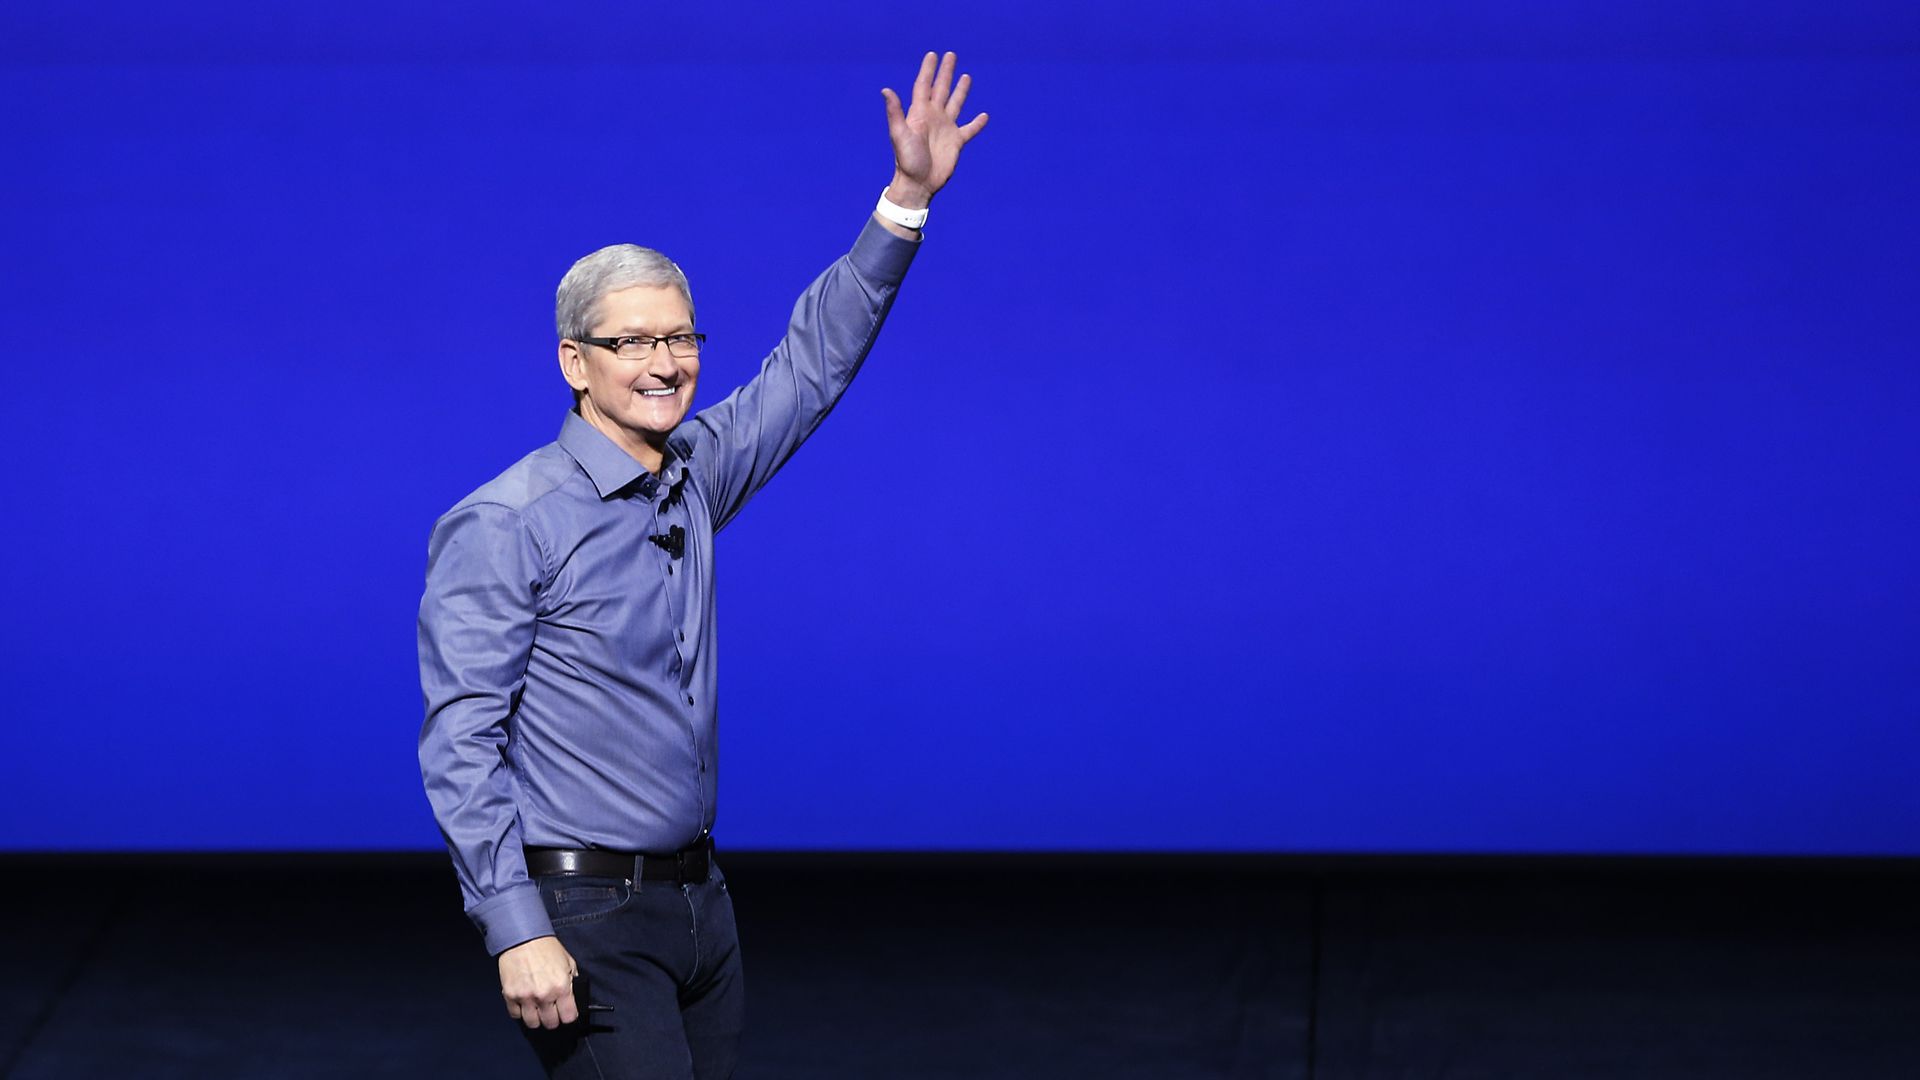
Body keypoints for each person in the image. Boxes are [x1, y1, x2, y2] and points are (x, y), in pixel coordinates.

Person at [415, 52, 987, 1079]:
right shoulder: (506, 522)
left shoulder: (696, 473)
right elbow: (463, 743)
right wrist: (515, 926)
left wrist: (905, 200)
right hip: (582, 912)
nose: (665, 364)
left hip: (700, 906)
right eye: (631, 342)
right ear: (572, 360)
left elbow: (810, 365)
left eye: (680, 337)